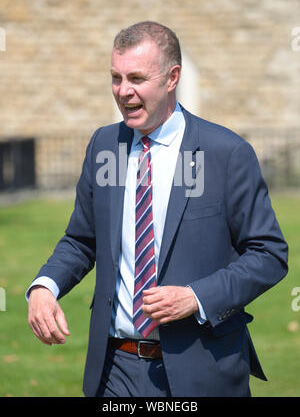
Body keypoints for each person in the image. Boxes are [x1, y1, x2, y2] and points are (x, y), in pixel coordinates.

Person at [27, 21, 288, 397]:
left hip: (202, 369)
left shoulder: (226, 154)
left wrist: (196, 297)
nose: (123, 91)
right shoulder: (105, 146)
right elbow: (82, 240)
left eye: (136, 78)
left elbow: (269, 254)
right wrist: (44, 287)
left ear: (172, 78)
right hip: (114, 370)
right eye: (115, 78)